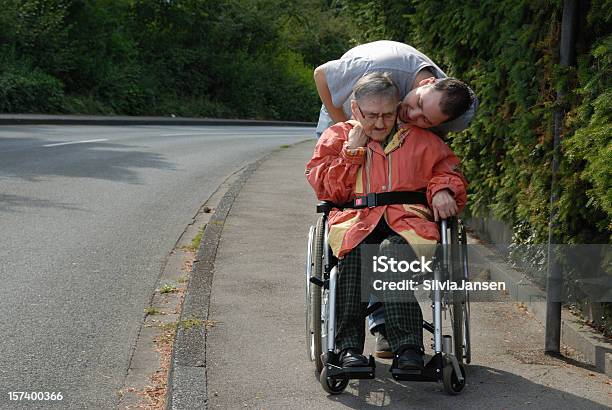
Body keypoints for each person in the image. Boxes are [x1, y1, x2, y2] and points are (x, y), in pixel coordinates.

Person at [305, 72, 467, 369]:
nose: (380, 124)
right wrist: (351, 152)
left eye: (388, 115)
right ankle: (347, 349)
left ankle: (408, 349)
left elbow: (449, 171)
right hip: (356, 222)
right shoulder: (337, 137)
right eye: (371, 115)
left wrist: (443, 188)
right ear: (355, 109)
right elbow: (327, 190)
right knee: (352, 259)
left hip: (409, 226)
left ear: (397, 110)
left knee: (390, 256)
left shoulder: (423, 141)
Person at [314, 40, 478, 139]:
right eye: (419, 103)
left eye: (426, 120)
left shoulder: (458, 110)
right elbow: (321, 75)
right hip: (340, 105)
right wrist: (346, 127)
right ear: (427, 82)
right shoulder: (379, 66)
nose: (412, 115)